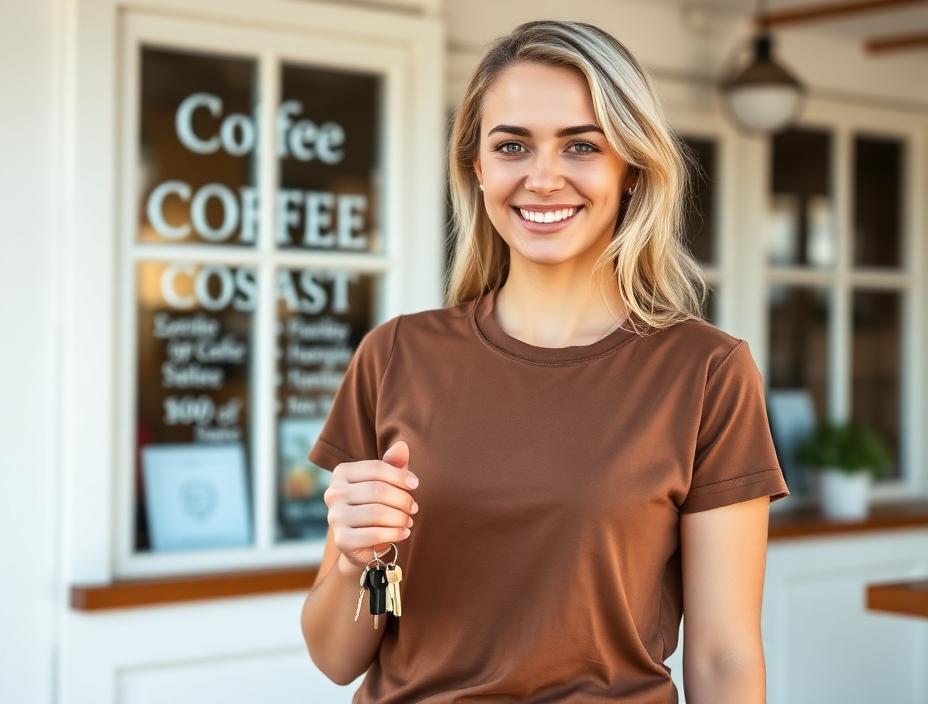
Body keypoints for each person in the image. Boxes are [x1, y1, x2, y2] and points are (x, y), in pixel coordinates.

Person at [300, 18, 790, 704]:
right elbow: (333, 656)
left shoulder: (705, 372)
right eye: (513, 146)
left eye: (582, 145)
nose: (543, 176)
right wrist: (355, 562)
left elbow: (725, 657)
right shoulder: (395, 355)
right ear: (477, 168)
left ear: (632, 170)